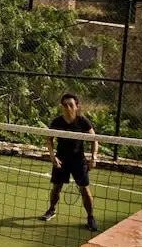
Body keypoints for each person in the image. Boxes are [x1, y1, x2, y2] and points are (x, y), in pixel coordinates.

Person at [40, 93, 100, 231]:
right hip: (61, 160)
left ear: (76, 106)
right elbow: (49, 139)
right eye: (65, 105)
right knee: (56, 187)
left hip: (78, 160)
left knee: (84, 189)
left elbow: (94, 140)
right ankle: (51, 210)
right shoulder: (57, 122)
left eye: (70, 105)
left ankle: (90, 218)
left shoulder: (83, 121)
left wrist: (94, 157)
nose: (67, 107)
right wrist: (52, 157)